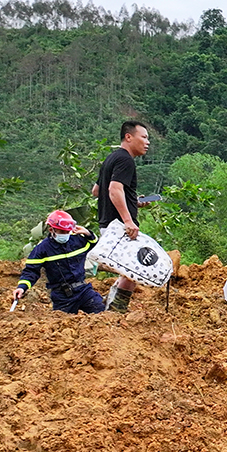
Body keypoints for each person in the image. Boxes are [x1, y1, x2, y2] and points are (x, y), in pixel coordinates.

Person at [91, 120, 151, 315]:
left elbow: (96, 191)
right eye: (144, 137)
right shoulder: (125, 160)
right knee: (134, 269)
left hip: (106, 224)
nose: (147, 142)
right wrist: (128, 220)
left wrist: (133, 200)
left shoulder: (111, 158)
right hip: (118, 226)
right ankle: (114, 312)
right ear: (128, 137)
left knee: (128, 270)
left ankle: (111, 308)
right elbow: (114, 189)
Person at [12, 210, 103, 314]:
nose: (65, 234)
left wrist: (88, 234)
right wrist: (22, 287)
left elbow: (95, 246)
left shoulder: (77, 241)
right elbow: (31, 271)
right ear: (52, 230)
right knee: (62, 325)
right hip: (62, 297)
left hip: (83, 290)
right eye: (62, 232)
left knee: (102, 314)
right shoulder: (42, 249)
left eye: (67, 231)